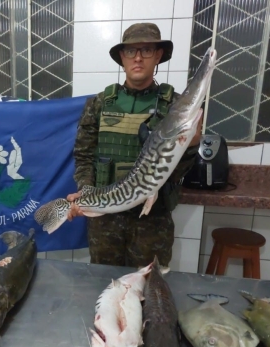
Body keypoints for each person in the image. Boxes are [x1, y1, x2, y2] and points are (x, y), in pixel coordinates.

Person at [67, 23, 203, 268]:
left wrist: (191, 146)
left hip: (153, 221)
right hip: (105, 219)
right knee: (104, 286)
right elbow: (84, 157)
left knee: (150, 288)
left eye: (147, 50)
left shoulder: (175, 106)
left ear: (158, 55)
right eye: (131, 51)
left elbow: (176, 172)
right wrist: (85, 192)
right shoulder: (98, 104)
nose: (138, 57)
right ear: (122, 56)